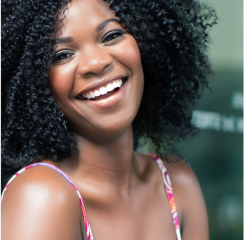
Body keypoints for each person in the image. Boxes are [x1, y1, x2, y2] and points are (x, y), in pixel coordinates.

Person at [1, 0, 217, 239]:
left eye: (111, 35)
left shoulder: (178, 184)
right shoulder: (43, 196)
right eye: (62, 55)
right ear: (34, 83)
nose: (96, 63)